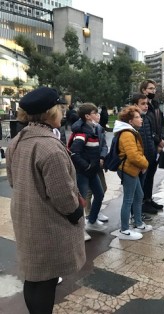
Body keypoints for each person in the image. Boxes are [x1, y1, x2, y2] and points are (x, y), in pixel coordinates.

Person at [6, 87, 85, 314]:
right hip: (48, 225)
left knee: (34, 277)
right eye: (60, 109)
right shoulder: (49, 147)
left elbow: (13, 180)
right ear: (50, 113)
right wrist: (75, 212)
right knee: (46, 281)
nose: (63, 113)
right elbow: (62, 195)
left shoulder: (19, 140)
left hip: (26, 216)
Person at [113, 106, 151, 240]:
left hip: (132, 169)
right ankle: (124, 230)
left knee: (138, 195)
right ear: (130, 121)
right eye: (137, 117)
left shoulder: (130, 131)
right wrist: (145, 163)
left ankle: (139, 223)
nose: (141, 119)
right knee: (128, 199)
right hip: (128, 169)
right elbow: (133, 155)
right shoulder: (127, 134)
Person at [69, 103, 106, 236]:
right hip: (83, 173)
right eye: (95, 113)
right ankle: (80, 230)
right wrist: (86, 165)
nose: (98, 115)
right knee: (82, 200)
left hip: (92, 171)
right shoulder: (82, 132)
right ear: (87, 116)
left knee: (100, 194)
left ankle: (92, 220)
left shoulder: (93, 129)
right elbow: (74, 153)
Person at [140, 79, 164, 212]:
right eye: (150, 88)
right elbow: (146, 129)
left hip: (157, 146)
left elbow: (161, 124)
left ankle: (149, 199)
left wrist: (162, 138)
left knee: (151, 174)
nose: (153, 91)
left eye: (154, 89)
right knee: (145, 175)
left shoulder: (156, 105)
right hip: (149, 145)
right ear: (144, 90)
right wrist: (157, 140)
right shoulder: (143, 108)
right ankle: (143, 202)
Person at [130, 93, 155, 219]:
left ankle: (138, 213)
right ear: (135, 105)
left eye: (147, 103)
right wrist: (141, 162)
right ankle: (134, 215)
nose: (146, 106)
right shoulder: (132, 123)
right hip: (137, 163)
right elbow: (132, 148)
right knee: (135, 192)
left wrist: (152, 156)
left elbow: (148, 139)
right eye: (143, 104)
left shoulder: (145, 119)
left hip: (146, 161)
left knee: (141, 191)